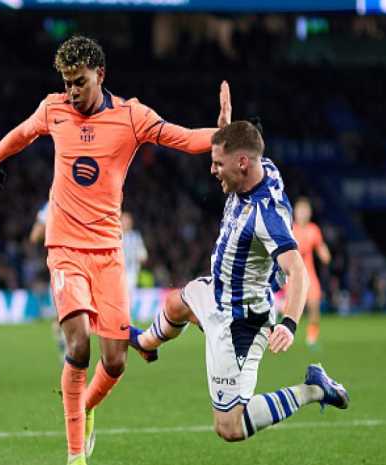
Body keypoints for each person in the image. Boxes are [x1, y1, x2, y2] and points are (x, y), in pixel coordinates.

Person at [0, 35, 231, 465]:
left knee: (114, 361)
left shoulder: (131, 117)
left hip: (109, 253)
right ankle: (76, 460)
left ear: (101, 75)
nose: (72, 91)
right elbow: (24, 132)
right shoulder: (53, 109)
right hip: (65, 248)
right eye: (67, 83)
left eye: (79, 82)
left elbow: (180, 137)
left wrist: (221, 136)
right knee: (77, 345)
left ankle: (87, 406)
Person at [130, 121, 349, 446]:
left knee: (229, 427)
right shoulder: (262, 166)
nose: (212, 170)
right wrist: (226, 127)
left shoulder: (266, 216)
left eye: (218, 163)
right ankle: (146, 344)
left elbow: (298, 271)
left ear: (242, 163)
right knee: (177, 304)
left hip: (239, 322)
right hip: (218, 289)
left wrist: (289, 323)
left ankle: (314, 389)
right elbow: (246, 140)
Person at [30, 201, 67, 363]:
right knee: (61, 312)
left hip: (74, 264)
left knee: (69, 312)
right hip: (62, 265)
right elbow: (34, 236)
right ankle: (65, 345)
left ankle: (68, 346)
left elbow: (34, 236)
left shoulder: (55, 203)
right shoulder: (53, 204)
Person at [292, 197, 331, 346]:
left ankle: (312, 338)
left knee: (314, 306)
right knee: (288, 310)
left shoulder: (313, 229)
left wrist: (324, 253)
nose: (303, 214)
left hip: (309, 275)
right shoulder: (290, 229)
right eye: (300, 211)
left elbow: (320, 246)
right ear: (295, 212)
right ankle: (281, 336)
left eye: (305, 211)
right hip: (291, 275)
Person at [121, 211, 148, 299]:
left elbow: (143, 254)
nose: (125, 223)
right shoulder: (115, 235)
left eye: (127, 221)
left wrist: (141, 256)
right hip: (117, 270)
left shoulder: (135, 236)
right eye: (123, 221)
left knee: (128, 294)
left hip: (131, 272)